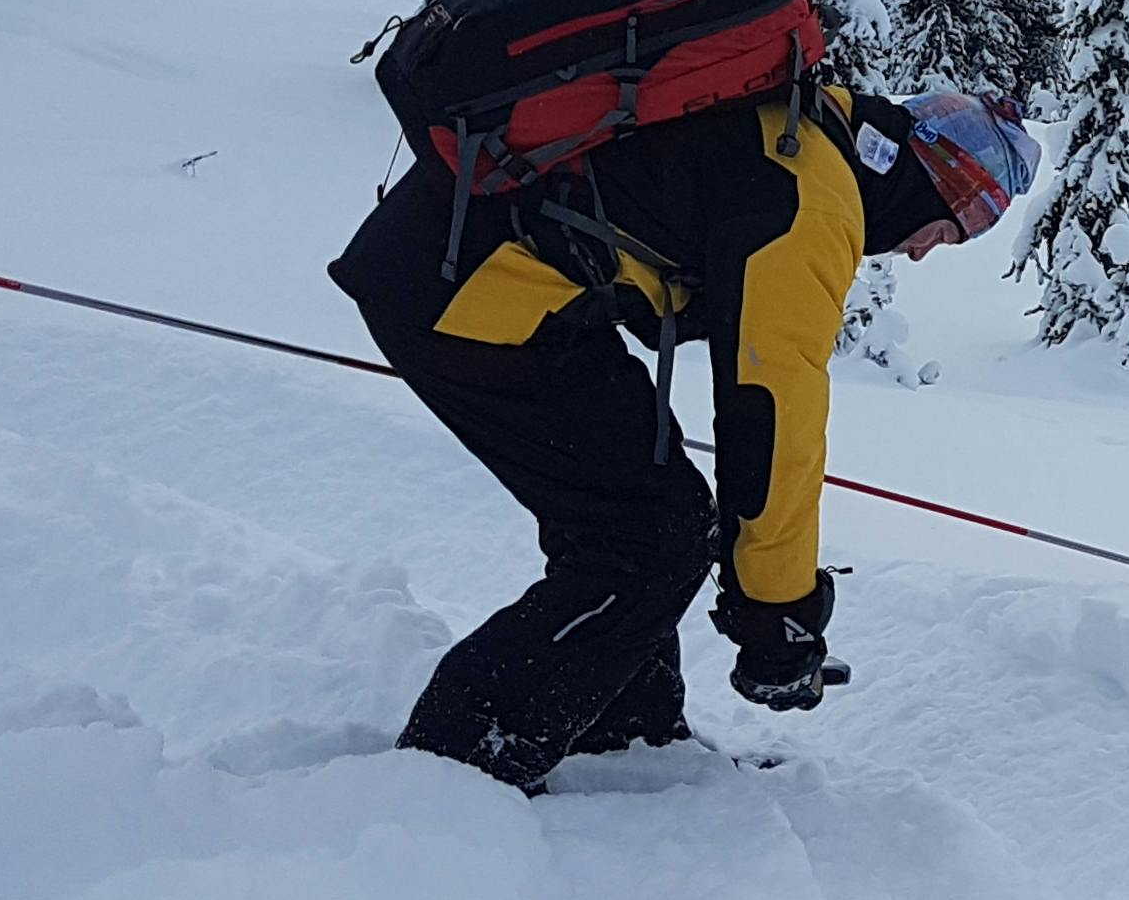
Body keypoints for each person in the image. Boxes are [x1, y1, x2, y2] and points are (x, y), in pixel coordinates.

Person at [330, 80, 1038, 791]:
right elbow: (774, 418)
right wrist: (779, 616)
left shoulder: (808, 128)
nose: (922, 253)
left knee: (651, 517)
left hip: (480, 271)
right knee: (647, 540)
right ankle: (457, 764)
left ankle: (627, 740)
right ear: (928, 182)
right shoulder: (813, 204)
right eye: (952, 227)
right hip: (467, 294)